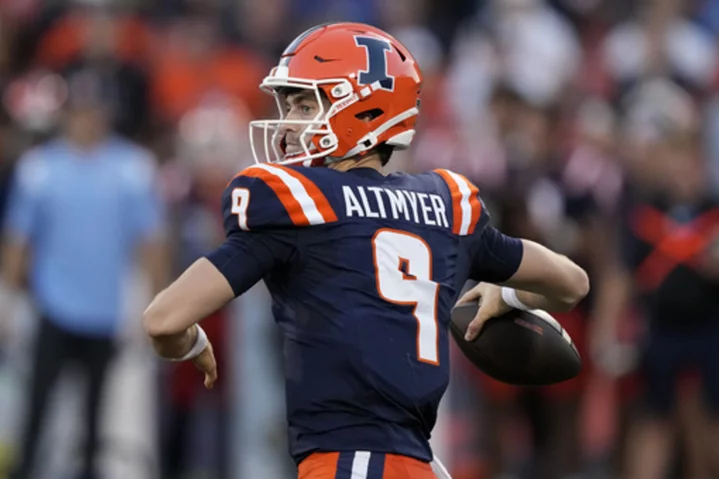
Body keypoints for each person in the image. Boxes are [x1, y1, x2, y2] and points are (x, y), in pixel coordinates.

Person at [143, 22, 589, 479]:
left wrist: (191, 342)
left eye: (304, 104)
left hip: (350, 462)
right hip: (417, 464)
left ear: (363, 109)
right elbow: (571, 284)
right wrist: (508, 295)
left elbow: (163, 320)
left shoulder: (300, 203)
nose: (290, 123)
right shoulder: (446, 204)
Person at [1, 69, 166, 479]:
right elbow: (18, 241)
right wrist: (11, 300)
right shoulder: (40, 168)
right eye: (80, 111)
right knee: (37, 405)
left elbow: (152, 243)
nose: (87, 120)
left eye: (94, 111)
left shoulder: (132, 168)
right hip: (52, 304)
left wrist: (159, 307)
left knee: (98, 414)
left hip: (105, 309)